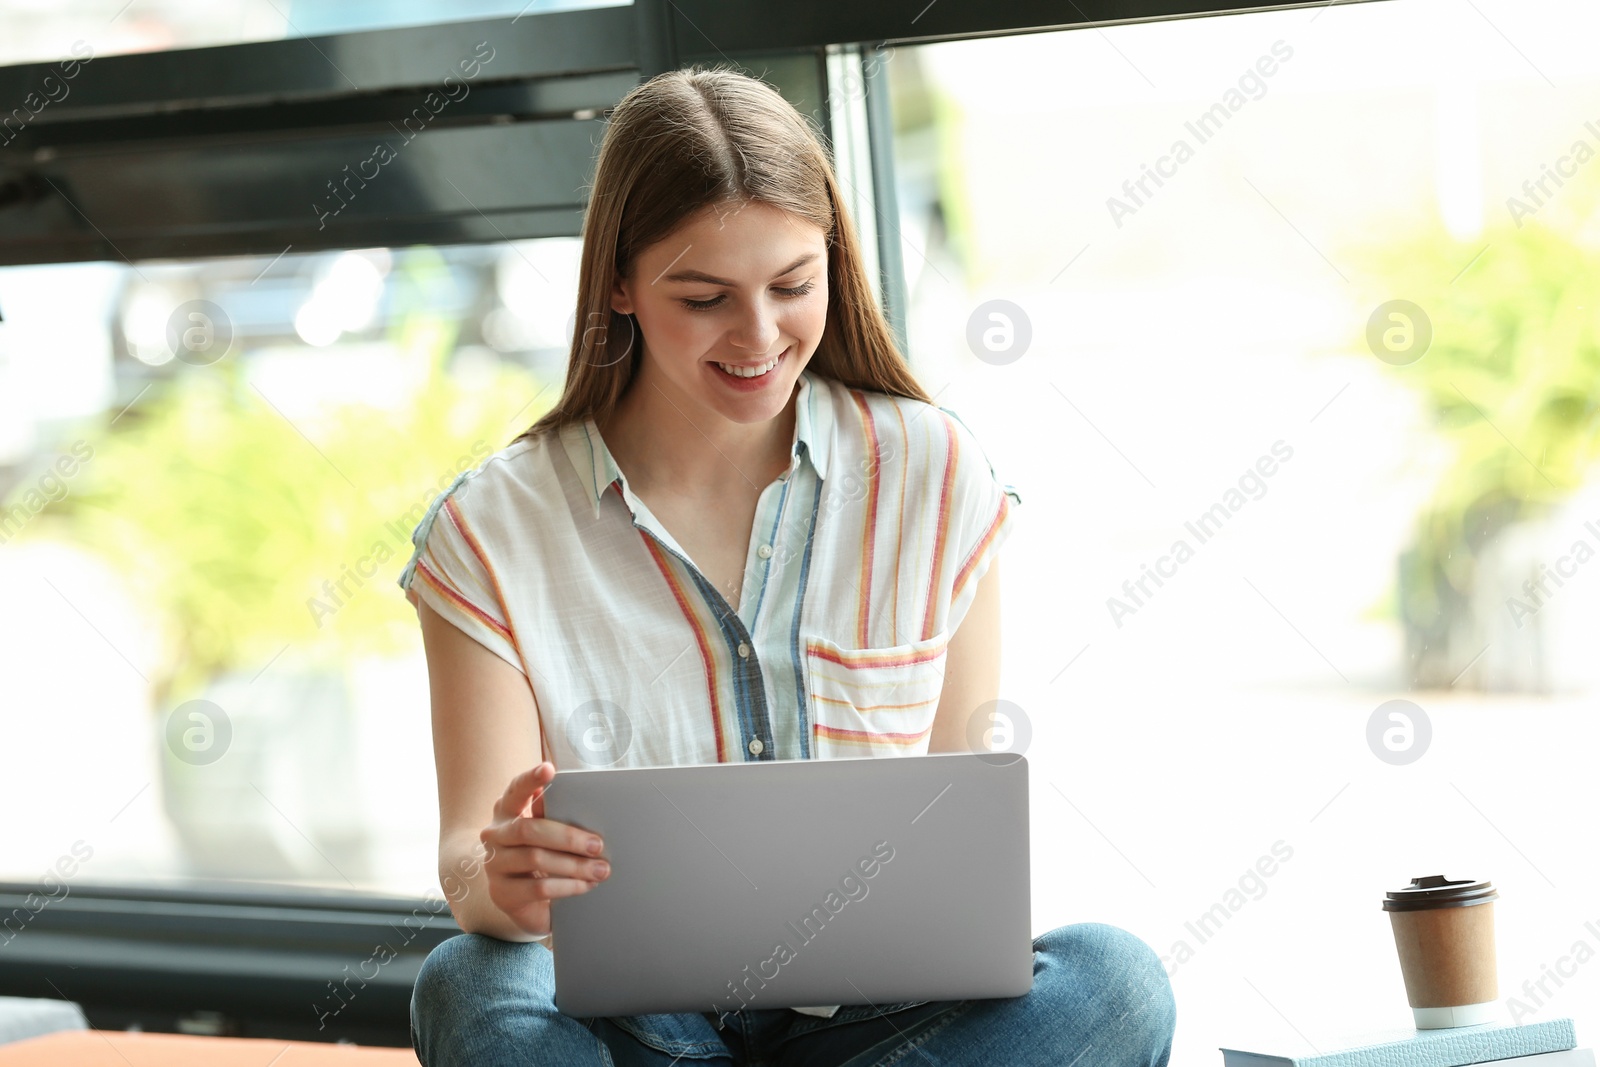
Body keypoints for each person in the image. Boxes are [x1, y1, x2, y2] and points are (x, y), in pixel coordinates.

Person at [400, 64, 1175, 1066]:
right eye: (704, 296)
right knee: (470, 987)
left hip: (878, 1020)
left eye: (791, 286)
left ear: (832, 265)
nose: (759, 337)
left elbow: (957, 834)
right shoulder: (492, 529)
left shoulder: (931, 473)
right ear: (621, 284)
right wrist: (503, 884)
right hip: (642, 1023)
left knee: (1115, 981)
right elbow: (468, 855)